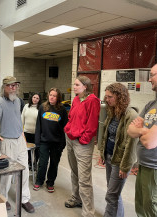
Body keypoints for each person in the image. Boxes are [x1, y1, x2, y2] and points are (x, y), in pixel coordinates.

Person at [127, 60, 157, 217]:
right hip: (144, 166)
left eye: (152, 75)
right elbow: (131, 130)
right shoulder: (152, 104)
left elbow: (149, 142)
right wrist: (145, 131)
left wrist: (144, 133)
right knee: (142, 210)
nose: (148, 79)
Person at [0, 76, 35, 213]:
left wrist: (22, 135)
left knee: (25, 170)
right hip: (6, 141)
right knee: (6, 174)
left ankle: (24, 199)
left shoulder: (18, 101)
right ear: (4, 87)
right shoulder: (0, 102)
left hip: (20, 140)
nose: (13, 88)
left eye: (15, 85)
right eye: (10, 85)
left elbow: (17, 120)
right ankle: (3, 198)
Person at [63, 75, 100, 217]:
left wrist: (83, 139)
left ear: (85, 86)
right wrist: (68, 129)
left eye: (77, 85)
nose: (74, 87)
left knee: (84, 179)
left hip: (82, 142)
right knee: (74, 173)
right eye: (74, 84)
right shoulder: (76, 99)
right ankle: (76, 198)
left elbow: (92, 124)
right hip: (71, 139)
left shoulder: (93, 101)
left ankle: (88, 212)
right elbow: (71, 118)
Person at [99, 83, 138, 217]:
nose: (107, 99)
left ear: (120, 97)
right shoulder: (112, 111)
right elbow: (106, 134)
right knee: (114, 193)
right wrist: (102, 154)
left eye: (110, 97)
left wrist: (125, 166)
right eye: (106, 96)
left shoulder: (131, 115)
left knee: (111, 195)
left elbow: (131, 144)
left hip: (120, 161)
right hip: (110, 156)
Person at [33, 88, 68, 193]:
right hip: (44, 141)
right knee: (42, 163)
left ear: (58, 98)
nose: (52, 97)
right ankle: (39, 181)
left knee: (54, 163)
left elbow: (65, 127)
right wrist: (37, 141)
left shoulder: (62, 109)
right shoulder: (42, 107)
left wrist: (63, 143)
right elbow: (38, 125)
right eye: (50, 95)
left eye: (54, 95)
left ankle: (50, 182)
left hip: (57, 142)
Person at [21, 93, 41, 167]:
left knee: (37, 150)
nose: (35, 99)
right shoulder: (26, 106)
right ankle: (29, 163)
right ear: (31, 98)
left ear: (39, 100)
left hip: (36, 133)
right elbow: (22, 118)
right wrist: (21, 130)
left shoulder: (40, 108)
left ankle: (35, 164)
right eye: (34, 97)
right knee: (27, 150)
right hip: (26, 132)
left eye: (37, 98)